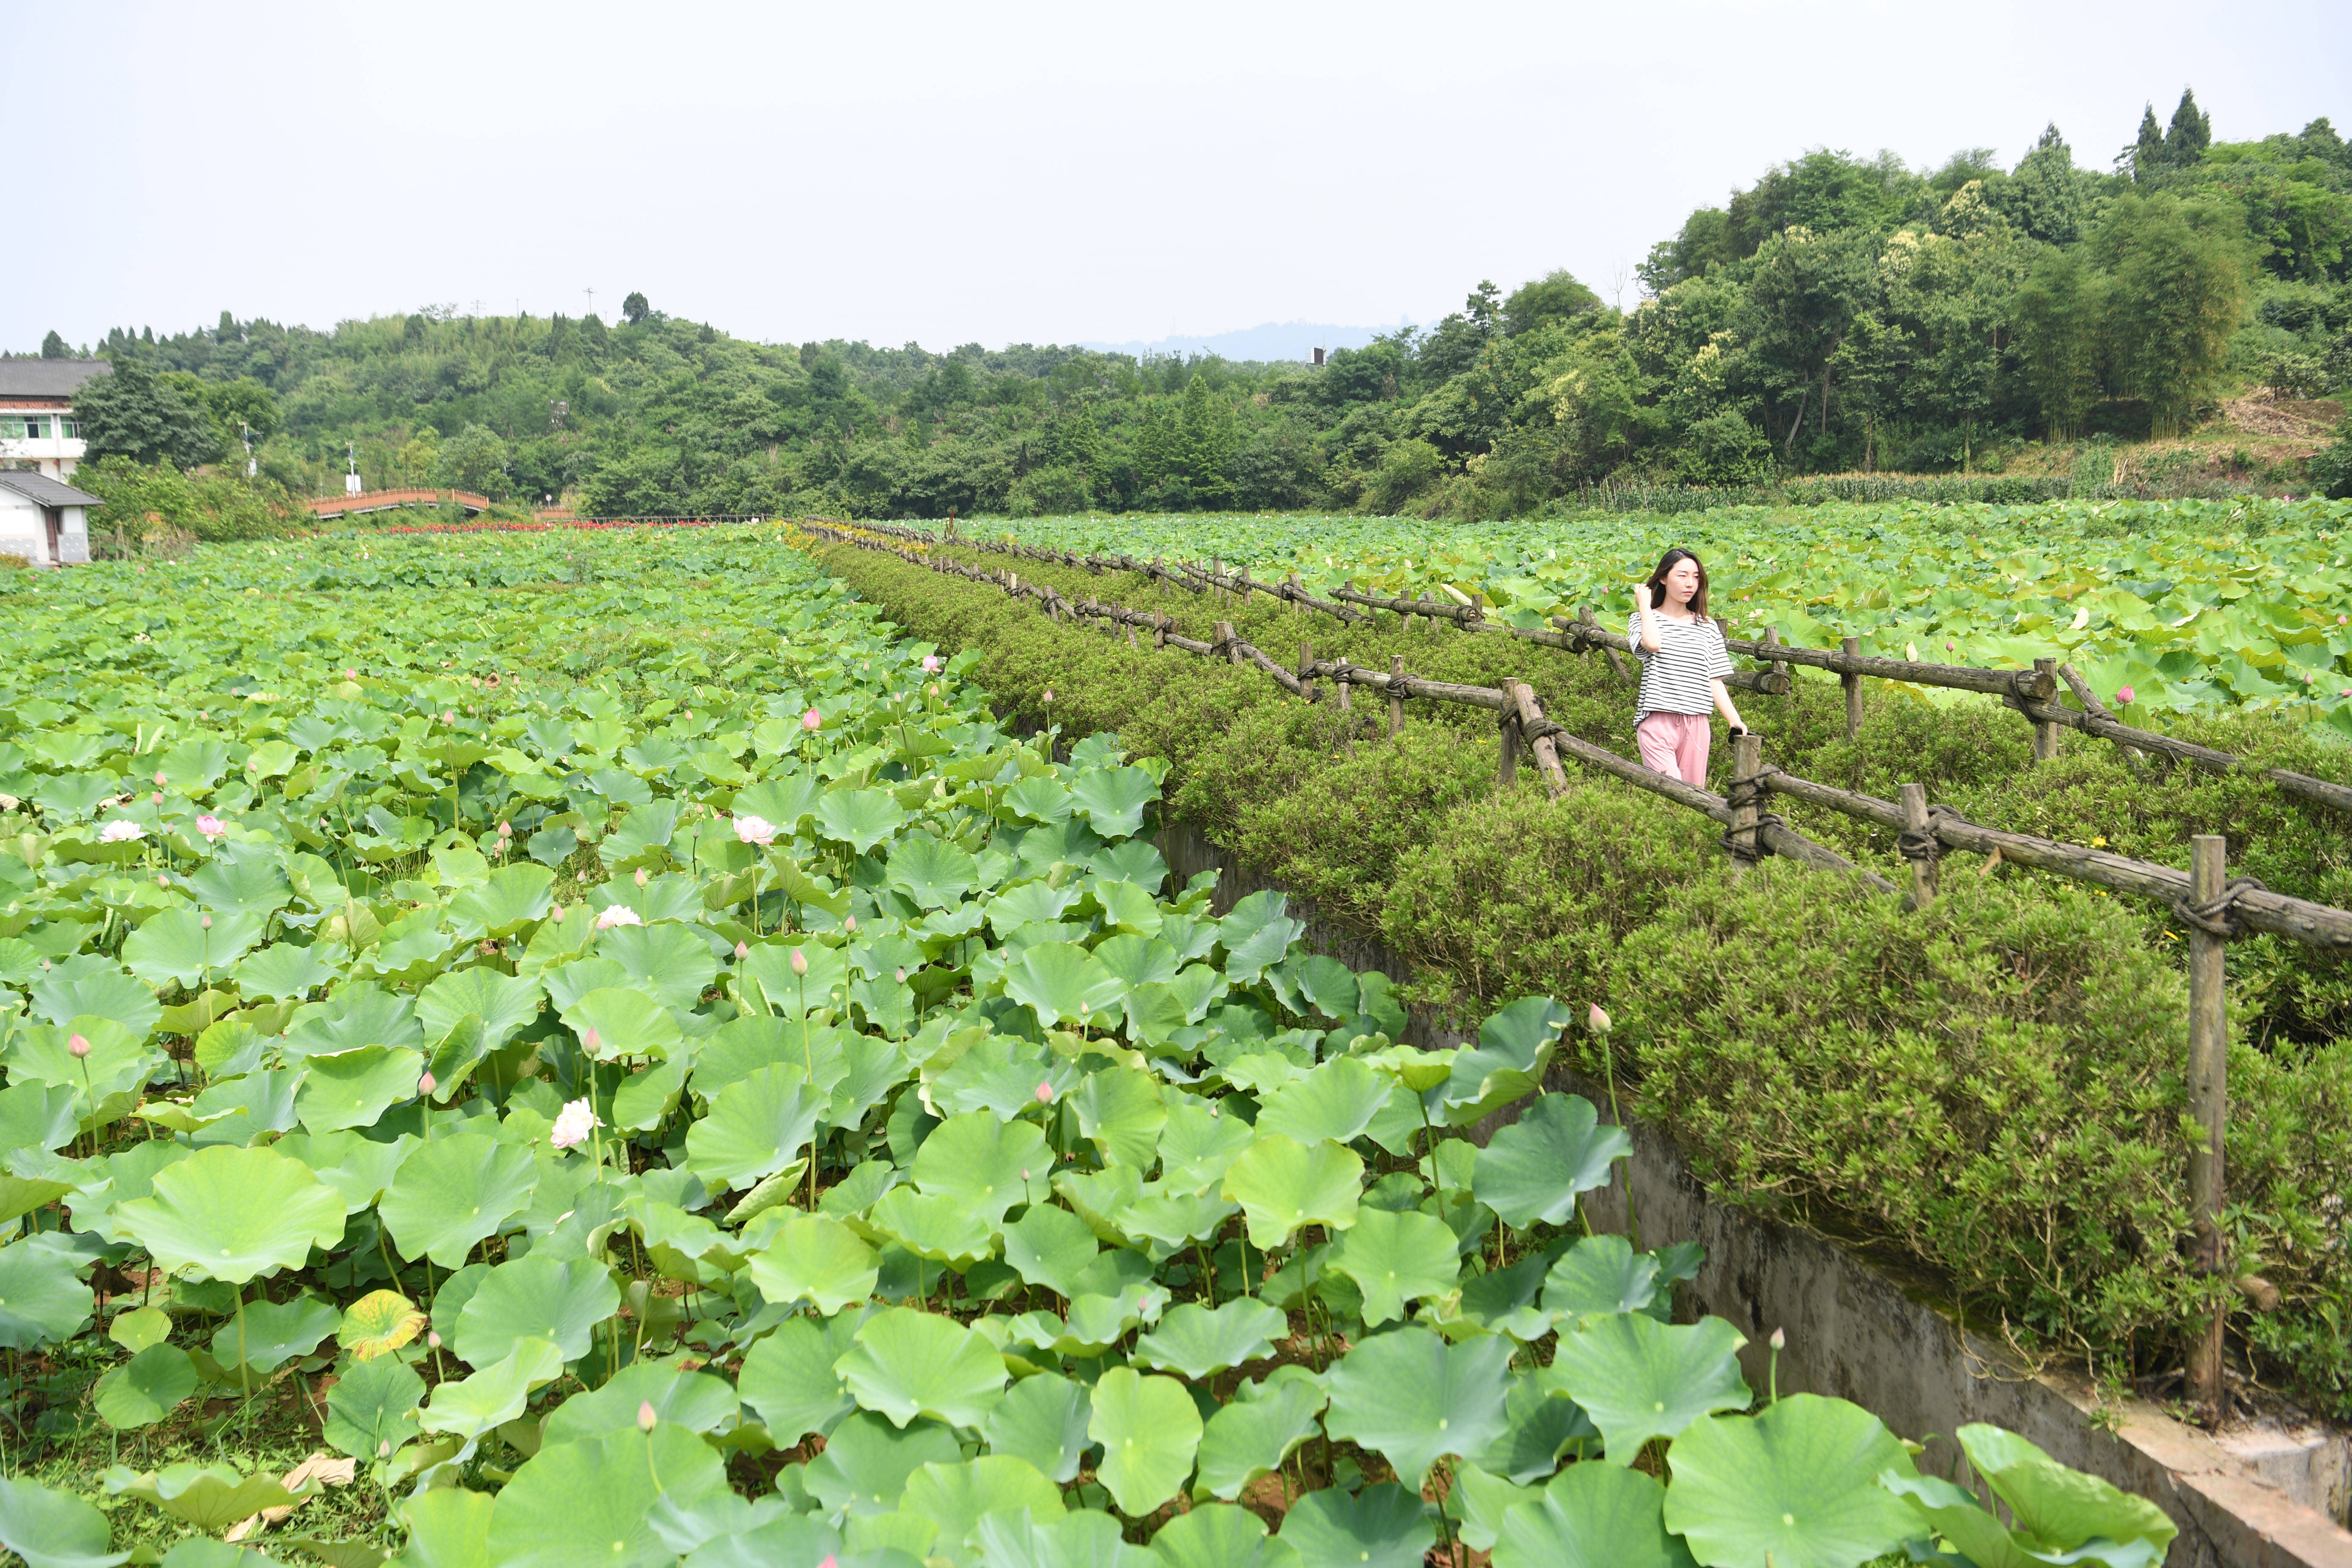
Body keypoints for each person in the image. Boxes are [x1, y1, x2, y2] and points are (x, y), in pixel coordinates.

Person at [1628, 547, 1746, 785]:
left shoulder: (1708, 626)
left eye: (1695, 577)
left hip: (1698, 722)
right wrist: (1644, 605)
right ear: (1663, 578)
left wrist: (1734, 720)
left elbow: (1714, 679)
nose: (1690, 584)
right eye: (1682, 576)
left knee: (1694, 798)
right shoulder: (1642, 619)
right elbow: (1652, 643)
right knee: (1670, 792)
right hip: (1658, 721)